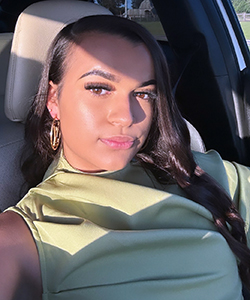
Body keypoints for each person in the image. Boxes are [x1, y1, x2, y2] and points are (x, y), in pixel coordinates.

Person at [0, 14, 250, 300]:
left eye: (144, 94)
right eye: (99, 88)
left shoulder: (202, 174)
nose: (126, 116)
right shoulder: (24, 234)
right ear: (53, 100)